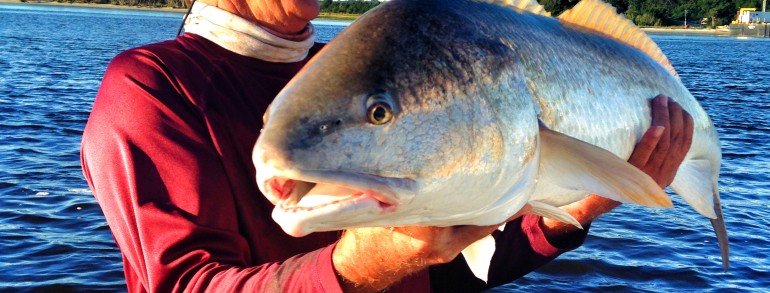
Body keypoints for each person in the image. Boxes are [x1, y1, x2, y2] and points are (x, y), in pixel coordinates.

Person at [80, 0, 694, 291]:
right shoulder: (151, 88)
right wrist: (360, 263)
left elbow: (448, 274)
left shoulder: (355, 70)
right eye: (379, 112)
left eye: (378, 112)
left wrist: (580, 210)